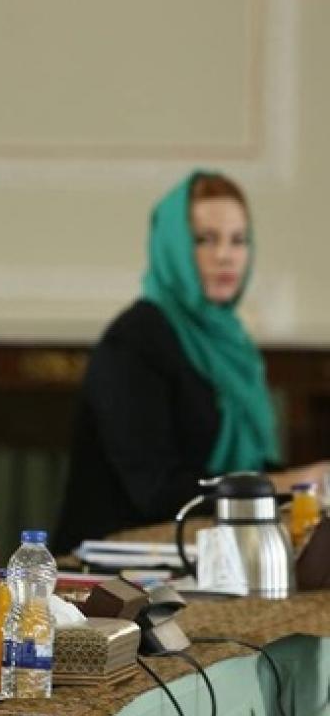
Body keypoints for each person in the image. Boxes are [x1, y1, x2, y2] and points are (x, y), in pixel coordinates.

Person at [56, 172, 330, 551]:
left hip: (205, 551)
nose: (225, 255)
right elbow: (157, 492)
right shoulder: (134, 340)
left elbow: (246, 469)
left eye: (238, 240)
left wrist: (310, 481)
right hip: (114, 561)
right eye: (205, 240)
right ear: (173, 247)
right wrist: (290, 483)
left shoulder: (232, 343)